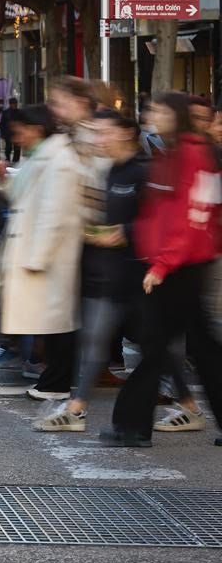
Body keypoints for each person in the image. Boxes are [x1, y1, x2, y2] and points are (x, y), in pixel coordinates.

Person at [103, 92, 222, 446]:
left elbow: (193, 216)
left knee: (158, 347)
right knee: (201, 348)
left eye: (160, 110)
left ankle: (131, 425)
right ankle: (131, 425)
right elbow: (160, 213)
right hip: (173, 264)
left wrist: (162, 264)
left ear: (176, 115)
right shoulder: (172, 153)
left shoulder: (194, 154)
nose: (152, 114)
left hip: (180, 267)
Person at [33, 110, 147, 431]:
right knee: (94, 341)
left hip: (142, 277)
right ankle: (77, 408)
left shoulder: (142, 173)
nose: (98, 139)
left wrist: (125, 232)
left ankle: (188, 404)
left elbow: (156, 223)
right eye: (95, 133)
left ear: (126, 132)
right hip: (106, 273)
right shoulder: (108, 171)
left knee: (160, 348)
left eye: (105, 132)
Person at [0, 104, 85, 403]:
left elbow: (54, 215)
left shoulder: (59, 161)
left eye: (22, 130)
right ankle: (52, 379)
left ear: (38, 128)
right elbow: (23, 194)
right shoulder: (42, 157)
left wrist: (37, 257)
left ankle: (56, 382)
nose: (18, 137)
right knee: (50, 322)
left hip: (49, 255)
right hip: (35, 249)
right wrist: (3, 177)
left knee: (57, 323)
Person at [0, 97, 22, 162]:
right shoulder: (6, 112)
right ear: (10, 104)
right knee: (8, 147)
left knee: (17, 148)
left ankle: (15, 160)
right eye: (13, 104)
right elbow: (2, 124)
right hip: (8, 133)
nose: (15, 105)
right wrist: (3, 133)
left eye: (15, 104)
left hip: (17, 133)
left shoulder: (20, 112)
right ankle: (8, 159)